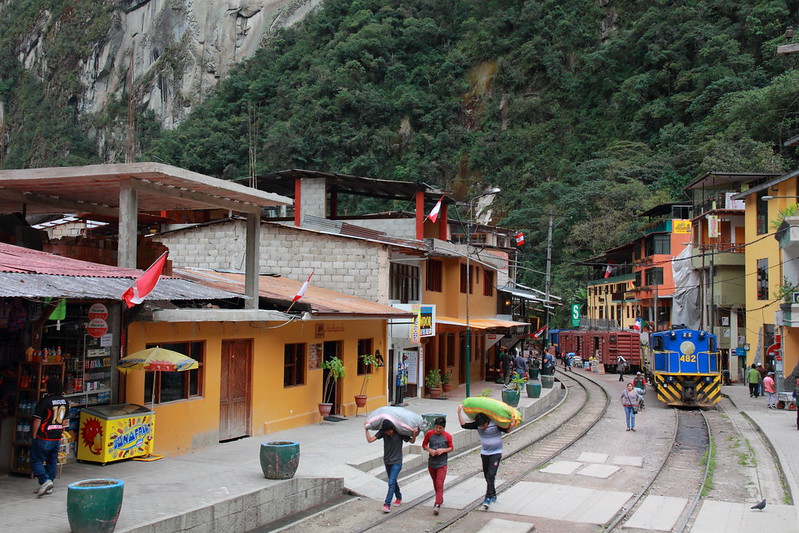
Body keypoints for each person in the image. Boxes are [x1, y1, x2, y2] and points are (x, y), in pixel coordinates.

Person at [457, 404, 511, 510]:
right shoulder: (478, 424)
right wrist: (459, 412)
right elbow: (464, 425)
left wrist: (512, 424)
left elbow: (507, 430)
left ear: (487, 421)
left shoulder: (495, 423)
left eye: (484, 425)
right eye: (481, 426)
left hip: (496, 452)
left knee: (491, 475)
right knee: (487, 476)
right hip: (485, 453)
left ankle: (487, 498)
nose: (482, 427)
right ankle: (493, 494)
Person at [365, 419, 418, 513]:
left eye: (389, 431)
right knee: (392, 481)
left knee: (391, 482)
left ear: (393, 428)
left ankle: (387, 504)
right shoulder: (383, 432)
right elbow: (370, 440)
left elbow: (412, 441)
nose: (388, 433)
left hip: (397, 462)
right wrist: (366, 429)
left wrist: (414, 433)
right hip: (387, 461)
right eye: (386, 432)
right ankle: (399, 496)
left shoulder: (400, 433)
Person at [31, 378, 69, 497]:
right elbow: (65, 422)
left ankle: (45, 481)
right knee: (51, 461)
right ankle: (49, 484)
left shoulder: (45, 401)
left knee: (36, 460)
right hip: (56, 436)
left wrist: (34, 435)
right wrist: (60, 431)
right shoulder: (65, 402)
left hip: (44, 435)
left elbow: (37, 419)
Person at [421, 416, 454, 515]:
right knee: (435, 482)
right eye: (436, 427)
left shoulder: (447, 436)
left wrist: (443, 450)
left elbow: (451, 447)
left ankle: (437, 504)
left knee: (440, 483)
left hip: (442, 463)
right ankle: (440, 498)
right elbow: (424, 445)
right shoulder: (429, 434)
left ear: (444, 428)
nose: (438, 430)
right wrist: (430, 450)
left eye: (440, 428)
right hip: (432, 463)